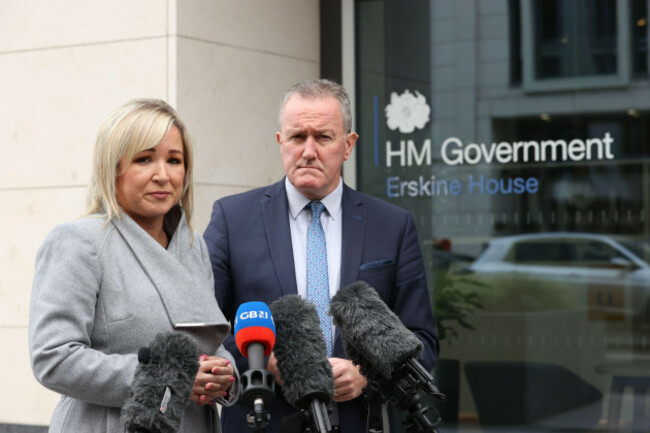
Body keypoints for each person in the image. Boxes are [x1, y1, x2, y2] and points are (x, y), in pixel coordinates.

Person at [203, 79, 439, 432]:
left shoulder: (392, 225)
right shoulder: (231, 219)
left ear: (348, 145)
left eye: (323, 137)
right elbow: (206, 328)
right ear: (281, 142)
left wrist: (366, 375)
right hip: (263, 421)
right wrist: (261, 361)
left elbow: (422, 338)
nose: (308, 150)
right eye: (297, 137)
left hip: (362, 420)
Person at [29, 99, 239, 433]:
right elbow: (53, 358)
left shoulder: (193, 246)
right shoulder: (78, 241)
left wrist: (223, 375)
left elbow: (209, 340)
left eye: (174, 160)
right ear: (112, 168)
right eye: (144, 159)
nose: (163, 175)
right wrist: (170, 378)